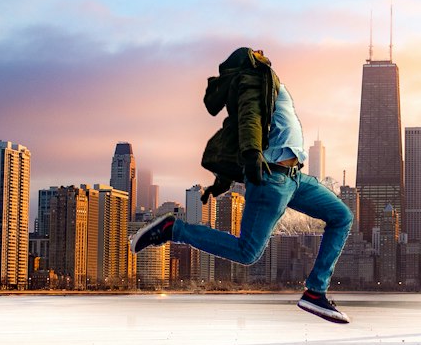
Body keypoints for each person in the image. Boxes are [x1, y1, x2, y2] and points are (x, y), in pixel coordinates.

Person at [130, 47, 353, 322]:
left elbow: (241, 131)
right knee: (247, 252)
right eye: (254, 51)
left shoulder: (268, 81)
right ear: (249, 62)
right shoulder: (254, 79)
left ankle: (315, 292)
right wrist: (250, 157)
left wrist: (223, 179)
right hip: (272, 178)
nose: (261, 51)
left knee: (342, 216)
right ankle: (173, 230)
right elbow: (249, 120)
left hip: (294, 177)